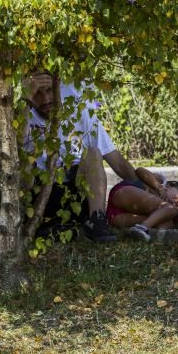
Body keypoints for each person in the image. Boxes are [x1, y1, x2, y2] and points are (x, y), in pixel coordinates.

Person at [23, 72, 138, 242]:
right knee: (23, 162)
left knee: (92, 153)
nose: (46, 99)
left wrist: (151, 189)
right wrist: (25, 101)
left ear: (59, 87)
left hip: (76, 192)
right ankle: (29, 224)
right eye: (37, 94)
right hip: (39, 195)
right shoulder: (23, 116)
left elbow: (118, 163)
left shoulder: (79, 113)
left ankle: (96, 221)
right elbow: (15, 143)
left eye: (49, 90)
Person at [106, 167, 178, 242]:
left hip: (115, 217)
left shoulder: (161, 209)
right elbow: (139, 170)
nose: (175, 202)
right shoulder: (161, 182)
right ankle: (142, 228)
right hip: (123, 194)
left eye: (177, 204)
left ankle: (156, 233)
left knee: (167, 222)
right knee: (171, 209)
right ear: (170, 186)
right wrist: (158, 187)